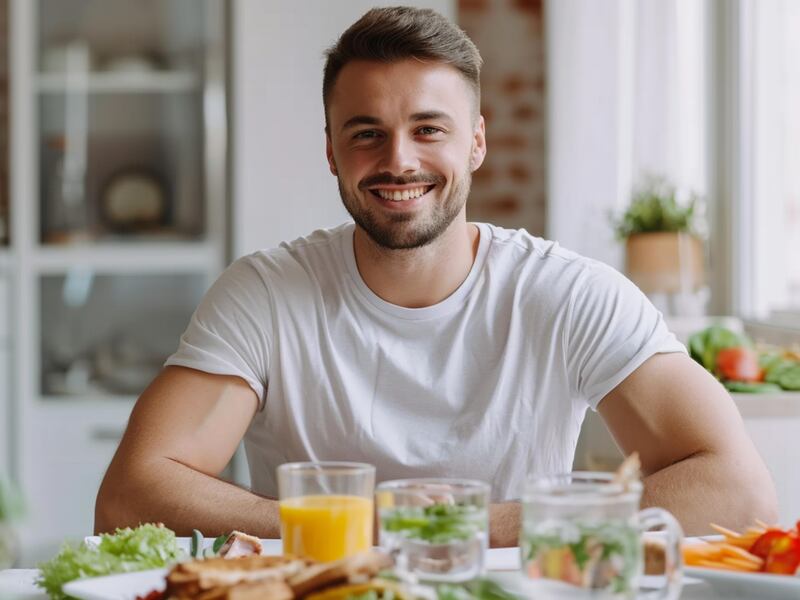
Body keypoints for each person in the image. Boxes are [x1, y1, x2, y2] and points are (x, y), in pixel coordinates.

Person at [95, 6, 777, 546]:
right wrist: (364, 528)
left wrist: (463, 528)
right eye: (366, 133)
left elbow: (739, 491)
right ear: (331, 150)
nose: (399, 160)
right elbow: (131, 494)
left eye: (429, 130)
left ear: (476, 142)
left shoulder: (568, 293)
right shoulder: (267, 293)